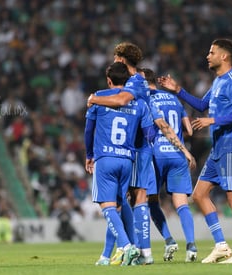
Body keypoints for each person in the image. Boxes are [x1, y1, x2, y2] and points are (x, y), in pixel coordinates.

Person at [87, 42, 196, 265]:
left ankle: (137, 250)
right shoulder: (142, 83)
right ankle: (123, 251)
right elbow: (159, 120)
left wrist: (94, 98)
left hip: (133, 147)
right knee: (127, 199)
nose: (114, 60)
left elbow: (121, 101)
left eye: (116, 57)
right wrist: (182, 148)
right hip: (138, 146)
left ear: (122, 59)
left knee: (132, 199)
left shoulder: (134, 81)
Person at [158, 38, 232, 264]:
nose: (207, 56)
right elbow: (201, 105)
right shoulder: (218, 81)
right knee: (198, 194)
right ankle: (221, 245)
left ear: (224, 56)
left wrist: (212, 120)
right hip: (218, 147)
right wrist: (178, 90)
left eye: (211, 52)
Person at [85, 62, 154, 266]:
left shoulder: (99, 96)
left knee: (107, 207)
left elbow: (89, 130)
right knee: (117, 207)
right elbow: (150, 133)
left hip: (105, 159)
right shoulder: (139, 102)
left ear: (109, 80)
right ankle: (105, 257)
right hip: (127, 161)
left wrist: (89, 154)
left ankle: (126, 246)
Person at [141, 68, 197, 262]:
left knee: (151, 201)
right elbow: (189, 130)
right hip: (178, 155)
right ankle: (191, 246)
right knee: (181, 205)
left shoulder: (145, 98)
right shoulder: (174, 99)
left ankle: (169, 240)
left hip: (156, 155)